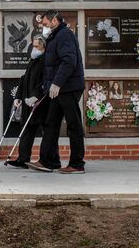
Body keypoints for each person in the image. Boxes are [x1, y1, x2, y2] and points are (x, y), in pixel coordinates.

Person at [27, 10, 86, 174]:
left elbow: (69, 61)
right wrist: (46, 88)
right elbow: (50, 66)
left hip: (68, 87)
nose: (43, 27)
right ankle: (48, 161)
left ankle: (77, 163)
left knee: (73, 125)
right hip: (57, 89)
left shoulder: (64, 35)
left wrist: (57, 83)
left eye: (45, 23)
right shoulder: (53, 37)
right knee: (51, 123)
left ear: (54, 20)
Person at [7, 35, 49, 169]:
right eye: (33, 46)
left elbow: (44, 82)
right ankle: (23, 159)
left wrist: (35, 96)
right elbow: (24, 79)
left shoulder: (45, 61)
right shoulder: (33, 60)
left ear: (43, 47)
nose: (34, 48)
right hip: (27, 101)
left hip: (39, 103)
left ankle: (47, 159)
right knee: (26, 130)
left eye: (37, 46)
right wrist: (18, 96)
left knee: (47, 132)